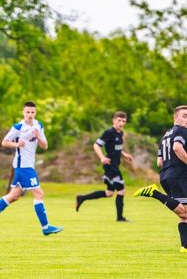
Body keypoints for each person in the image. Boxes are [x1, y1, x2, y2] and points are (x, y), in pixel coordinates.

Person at [0, 101, 63, 236]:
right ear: (23, 112)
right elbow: (4, 142)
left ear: (35, 113)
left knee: (14, 196)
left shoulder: (38, 125)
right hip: (23, 166)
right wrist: (17, 144)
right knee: (39, 194)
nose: (30, 114)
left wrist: (38, 136)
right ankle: (46, 227)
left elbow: (45, 146)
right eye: (27, 112)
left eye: (32, 112)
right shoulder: (18, 127)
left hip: (26, 165)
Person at [133, 105, 187, 251]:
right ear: (175, 117)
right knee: (184, 212)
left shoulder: (166, 135)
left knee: (183, 215)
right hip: (178, 176)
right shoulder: (182, 131)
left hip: (166, 175)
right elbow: (177, 148)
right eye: (184, 116)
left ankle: (184, 246)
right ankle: (154, 193)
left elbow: (159, 162)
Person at [75, 111, 133, 221]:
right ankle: (120, 218)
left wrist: (124, 154)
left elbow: (116, 148)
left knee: (109, 193)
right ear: (114, 120)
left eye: (123, 121)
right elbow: (96, 145)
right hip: (110, 166)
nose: (121, 123)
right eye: (119, 120)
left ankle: (82, 198)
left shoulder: (120, 133)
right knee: (121, 190)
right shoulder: (109, 132)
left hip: (115, 165)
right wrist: (102, 157)